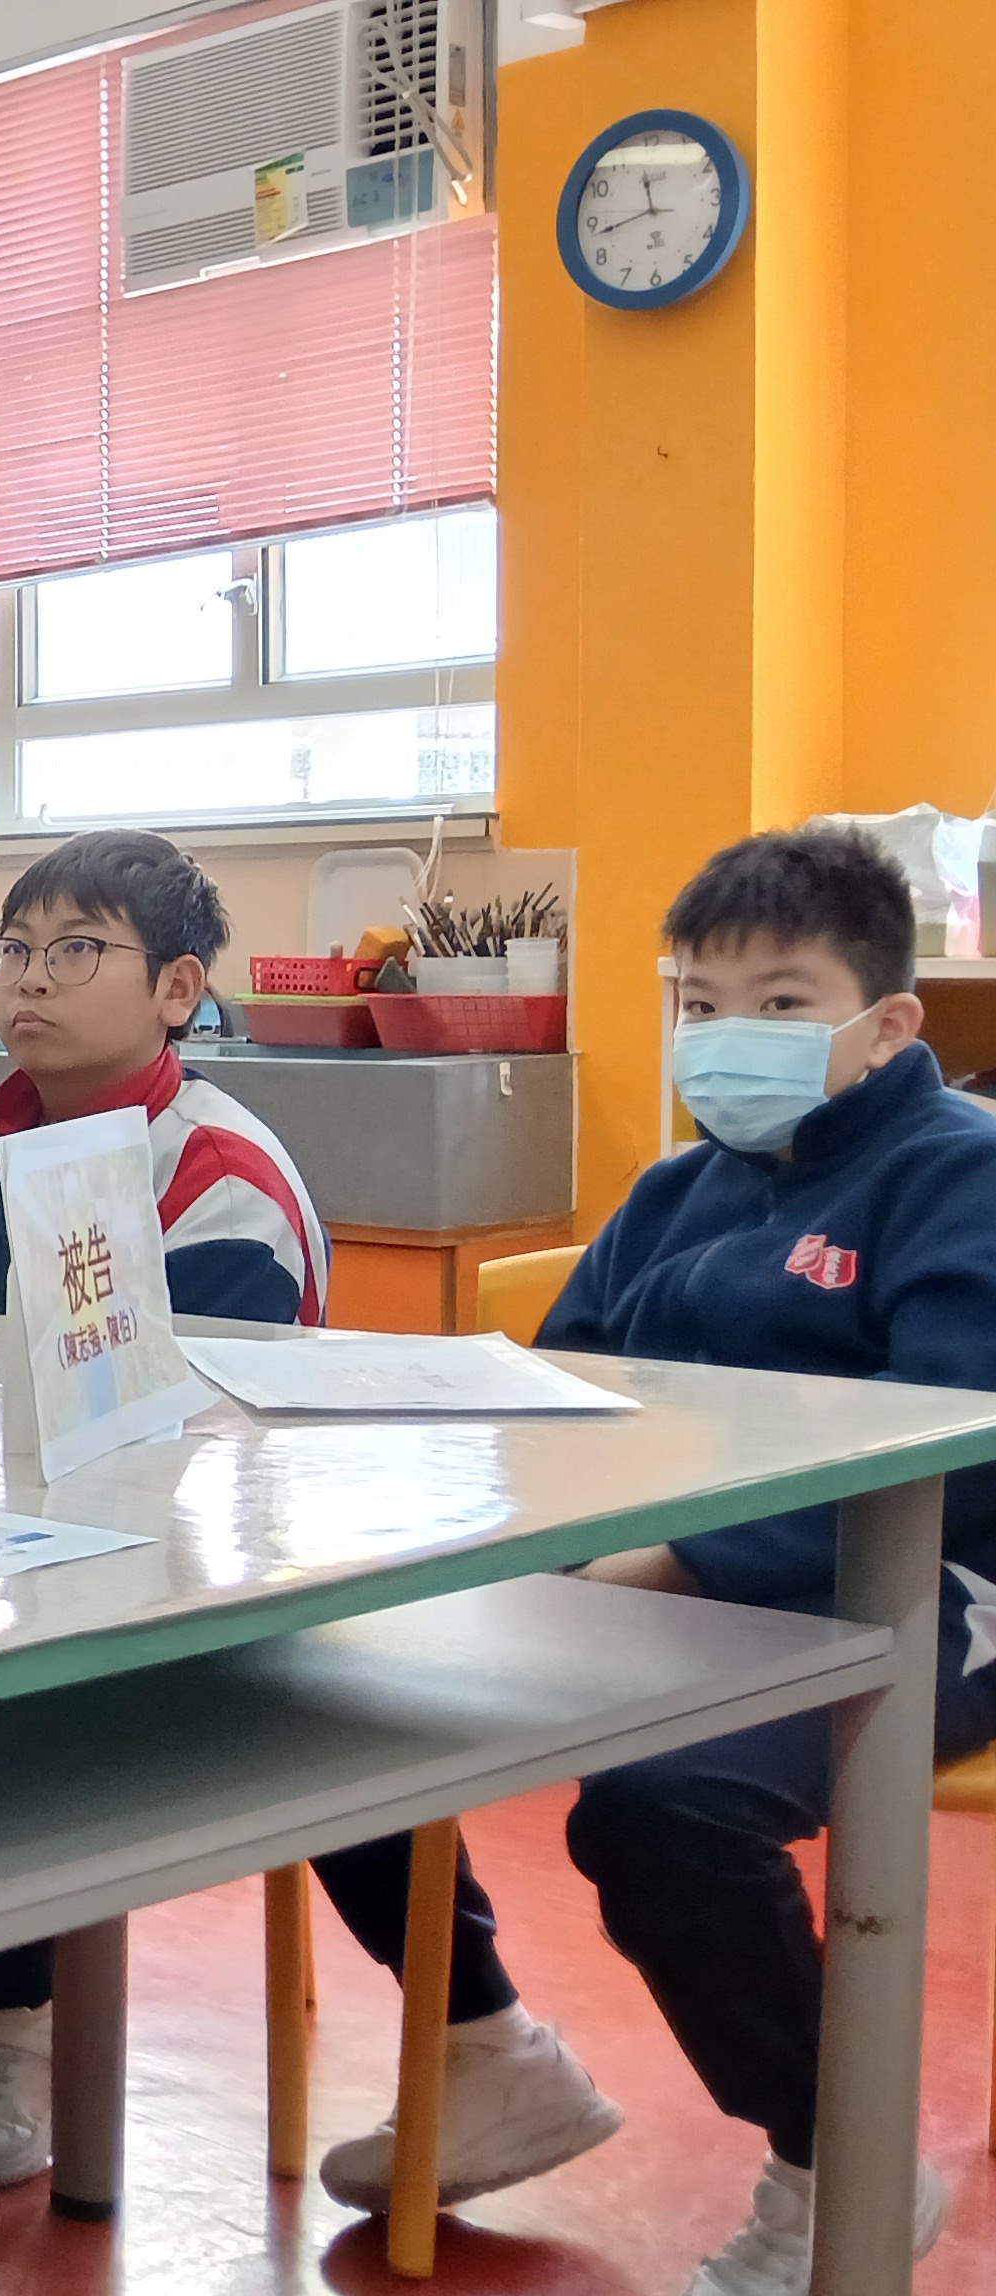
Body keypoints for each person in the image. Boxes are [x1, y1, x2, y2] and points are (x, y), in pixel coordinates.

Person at [0, 832, 618, 2209]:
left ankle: (9, 2030)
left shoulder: (219, 1170)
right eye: (16, 950)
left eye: (78, 951)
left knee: (225, 1696)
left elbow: (186, 1434)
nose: (30, 980)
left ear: (178, 989)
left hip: (211, 1571)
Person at [538, 827, 985, 2292]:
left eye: (782, 1003)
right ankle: (484, 2047)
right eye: (702, 1001)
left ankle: (839, 2161)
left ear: (888, 1023)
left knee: (668, 1805)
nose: (729, 1035)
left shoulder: (963, 1177)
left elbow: (952, 1450)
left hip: (937, 1586)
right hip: (680, 1587)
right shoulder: (677, 1193)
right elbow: (557, 1394)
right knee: (356, 1692)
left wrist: (681, 1559)